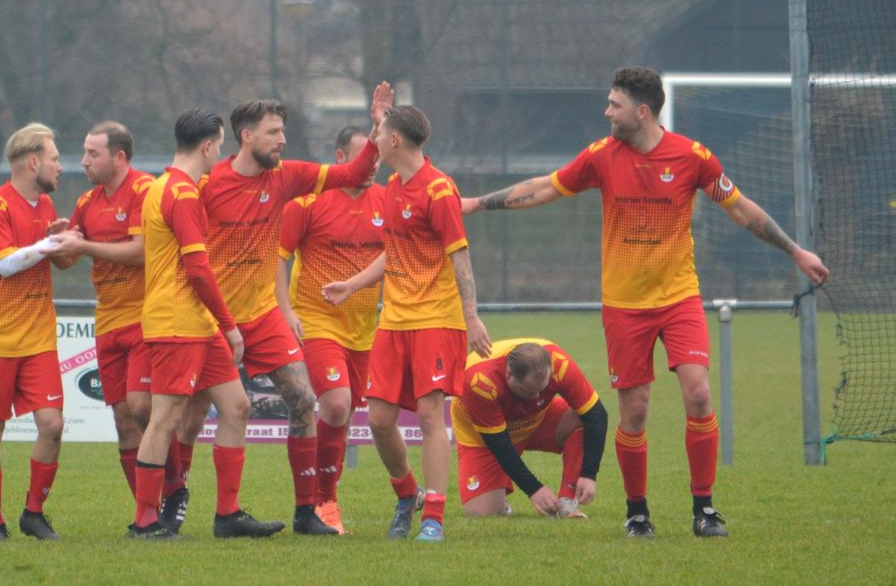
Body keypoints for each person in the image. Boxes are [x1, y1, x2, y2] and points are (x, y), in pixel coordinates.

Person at [463, 66, 830, 538]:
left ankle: (704, 509)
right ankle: (637, 513)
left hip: (679, 299)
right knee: (634, 412)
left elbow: (740, 208)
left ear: (641, 111)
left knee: (699, 394)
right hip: (624, 306)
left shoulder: (693, 157)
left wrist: (796, 251)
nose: (606, 112)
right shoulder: (601, 156)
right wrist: (478, 204)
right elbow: (546, 187)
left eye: (614, 105)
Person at [174, 85, 392, 536]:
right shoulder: (207, 184)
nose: (283, 140)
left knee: (304, 401)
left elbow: (354, 171)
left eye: (283, 131)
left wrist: (376, 131)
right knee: (192, 417)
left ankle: (306, 512)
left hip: (262, 314)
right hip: (212, 318)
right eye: (274, 132)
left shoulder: (287, 176)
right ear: (246, 136)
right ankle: (173, 505)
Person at [323, 104, 493, 542]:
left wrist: (471, 317)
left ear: (395, 140)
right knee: (379, 419)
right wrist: (351, 285)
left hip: (435, 318)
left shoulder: (438, 190)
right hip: (394, 321)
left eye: (379, 134)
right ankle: (406, 494)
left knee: (430, 415)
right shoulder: (394, 187)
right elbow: (394, 251)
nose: (375, 141)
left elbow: (460, 255)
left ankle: (433, 517)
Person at [130, 108, 285, 540]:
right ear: (206, 146)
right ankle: (144, 520)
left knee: (237, 406)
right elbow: (198, 269)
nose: (221, 152)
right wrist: (230, 325)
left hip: (196, 323)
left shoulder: (163, 185)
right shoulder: (181, 194)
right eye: (219, 144)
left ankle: (228, 515)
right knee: (165, 420)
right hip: (177, 322)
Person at [0, 122, 81, 542]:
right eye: (54, 158)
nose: (60, 166)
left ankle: (33, 513)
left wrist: (64, 242)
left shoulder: (46, 205)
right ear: (33, 162)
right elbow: (6, 264)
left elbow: (59, 262)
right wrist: (49, 245)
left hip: (38, 339)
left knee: (52, 425)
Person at [275, 126, 386, 534]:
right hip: (316, 321)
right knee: (336, 405)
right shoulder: (308, 202)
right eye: (363, 156)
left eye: (377, 158)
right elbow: (277, 258)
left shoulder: (387, 202)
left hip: (364, 329)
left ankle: (324, 499)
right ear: (340, 158)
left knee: (344, 415)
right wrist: (286, 311)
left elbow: (401, 253)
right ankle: (323, 502)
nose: (372, 165)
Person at [62, 121, 160, 502]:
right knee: (123, 419)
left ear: (119, 158)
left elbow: (141, 252)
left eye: (92, 153)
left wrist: (84, 247)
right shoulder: (86, 202)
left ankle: (172, 492)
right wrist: (58, 243)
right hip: (107, 321)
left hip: (145, 317)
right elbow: (67, 261)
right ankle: (146, 511)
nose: (83, 161)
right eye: (84, 152)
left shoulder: (144, 189)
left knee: (142, 408)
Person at [451, 339, 608, 519]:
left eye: (542, 390)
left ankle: (566, 501)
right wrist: (533, 489)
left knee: (582, 418)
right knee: (482, 514)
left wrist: (589, 474)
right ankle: (499, 502)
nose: (536, 397)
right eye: (528, 391)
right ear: (508, 374)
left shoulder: (559, 363)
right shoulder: (479, 381)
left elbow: (597, 415)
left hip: (534, 421)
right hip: (483, 439)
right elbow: (499, 444)